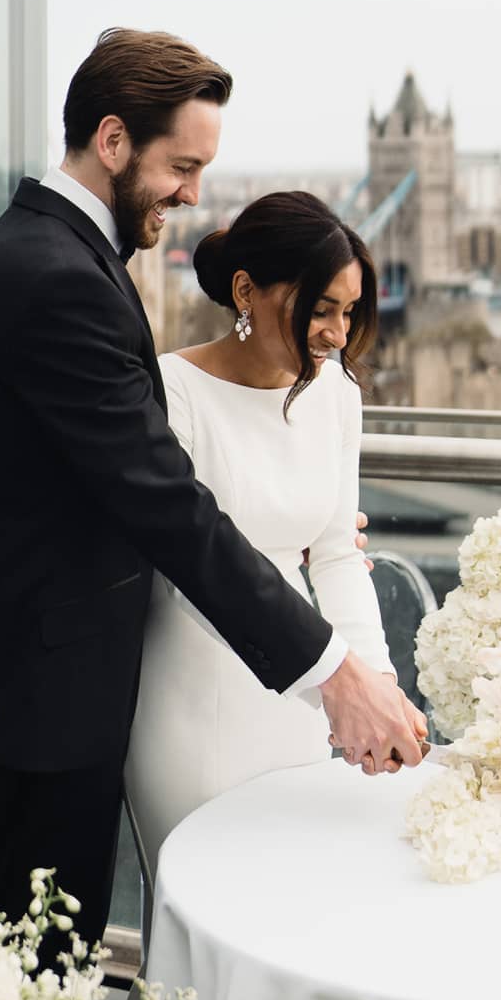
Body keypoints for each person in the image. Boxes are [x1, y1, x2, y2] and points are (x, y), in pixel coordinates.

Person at [0, 28, 426, 956]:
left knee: (42, 989)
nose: (195, 194)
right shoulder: (54, 277)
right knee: (25, 994)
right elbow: (166, 504)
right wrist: (334, 674)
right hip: (50, 699)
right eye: (183, 164)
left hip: (65, 687)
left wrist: (307, 522)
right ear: (113, 141)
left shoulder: (57, 256)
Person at [124, 192, 396, 910]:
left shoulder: (335, 393)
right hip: (194, 704)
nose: (338, 334)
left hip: (306, 700)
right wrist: (335, 686)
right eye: (320, 309)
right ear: (246, 290)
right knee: (209, 926)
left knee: (301, 916)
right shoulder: (171, 391)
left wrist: (375, 685)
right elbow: (190, 574)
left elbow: (336, 555)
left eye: (350, 311)